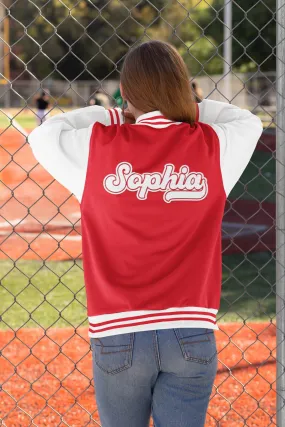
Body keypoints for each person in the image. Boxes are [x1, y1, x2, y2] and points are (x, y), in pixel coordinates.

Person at [28, 41, 263, 427]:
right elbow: (247, 121)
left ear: (127, 93)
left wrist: (116, 116)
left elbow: (45, 133)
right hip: (191, 331)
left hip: (118, 331)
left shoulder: (98, 147)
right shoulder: (214, 145)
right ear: (182, 86)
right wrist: (183, 107)